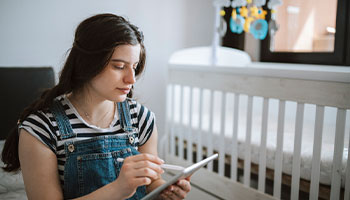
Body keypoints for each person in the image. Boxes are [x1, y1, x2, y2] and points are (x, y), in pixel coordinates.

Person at [1, 13, 191, 200]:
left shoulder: (141, 118)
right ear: (88, 63)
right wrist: (118, 189)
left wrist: (164, 190)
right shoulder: (41, 129)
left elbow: (151, 182)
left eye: (134, 66)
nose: (131, 80)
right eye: (118, 66)